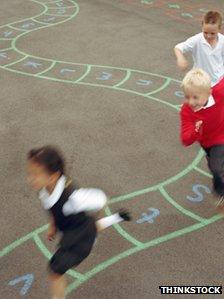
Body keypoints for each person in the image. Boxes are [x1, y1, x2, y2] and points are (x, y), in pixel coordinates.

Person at [26, 145, 131, 299]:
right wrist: (52, 226)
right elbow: (51, 208)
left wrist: (95, 214)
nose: (30, 179)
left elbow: (101, 199)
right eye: (30, 174)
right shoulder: (44, 190)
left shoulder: (73, 198)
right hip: (73, 225)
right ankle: (118, 217)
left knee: (55, 271)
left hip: (78, 236)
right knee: (92, 228)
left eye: (35, 175)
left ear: (53, 176)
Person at [180, 68, 224, 210]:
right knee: (214, 166)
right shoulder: (186, 111)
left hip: (221, 137)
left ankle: (221, 194)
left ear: (209, 93)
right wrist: (195, 131)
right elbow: (185, 139)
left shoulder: (219, 93)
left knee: (217, 168)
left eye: (195, 97)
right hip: (207, 143)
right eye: (187, 97)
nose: (191, 102)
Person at [174, 11, 224, 86]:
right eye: (205, 32)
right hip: (201, 82)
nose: (208, 36)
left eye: (212, 33)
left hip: (219, 81)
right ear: (202, 27)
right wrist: (180, 58)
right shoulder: (197, 39)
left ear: (219, 29)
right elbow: (178, 48)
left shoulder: (222, 41)